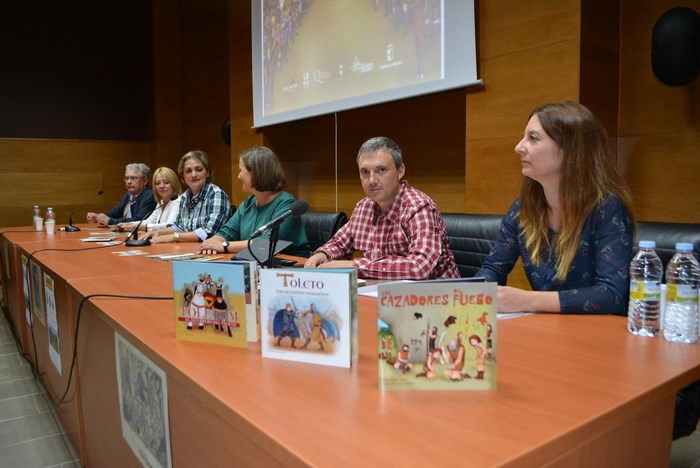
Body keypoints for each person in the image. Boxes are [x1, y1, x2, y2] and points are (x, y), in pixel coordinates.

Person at [475, 101, 635, 315]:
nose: (518, 147)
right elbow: (493, 267)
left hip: (595, 336)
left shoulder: (607, 209)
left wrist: (527, 300)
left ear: (570, 150)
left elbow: (611, 295)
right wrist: (472, 294)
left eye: (533, 138)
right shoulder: (524, 207)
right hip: (546, 331)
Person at [304, 136, 459, 280]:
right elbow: (339, 243)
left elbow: (419, 267)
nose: (371, 180)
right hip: (385, 294)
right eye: (365, 172)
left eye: (381, 170)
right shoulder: (363, 207)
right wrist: (322, 255)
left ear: (400, 171)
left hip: (438, 299)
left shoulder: (419, 208)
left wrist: (355, 266)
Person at [199, 146, 310, 257]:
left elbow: (265, 244)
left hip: (290, 268)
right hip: (255, 262)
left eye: (241, 171)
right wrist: (211, 243)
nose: (238, 176)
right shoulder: (249, 202)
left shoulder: (286, 203)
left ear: (256, 173)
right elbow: (228, 231)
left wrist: (223, 246)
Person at [147, 150, 232, 243]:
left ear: (207, 173)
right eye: (188, 171)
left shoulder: (216, 195)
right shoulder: (184, 197)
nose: (194, 175)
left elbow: (208, 232)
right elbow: (179, 227)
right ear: (183, 177)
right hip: (189, 249)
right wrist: (159, 233)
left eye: (198, 170)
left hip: (213, 252)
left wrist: (174, 237)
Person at [115, 167, 183, 233]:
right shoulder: (161, 202)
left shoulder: (178, 201)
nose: (161, 186)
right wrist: (129, 224)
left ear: (174, 184)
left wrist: (139, 227)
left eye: (166, 182)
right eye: (157, 183)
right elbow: (150, 221)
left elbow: (170, 226)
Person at [87, 163, 156, 225]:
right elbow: (115, 213)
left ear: (145, 181)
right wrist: (98, 217)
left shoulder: (150, 195)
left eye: (133, 178)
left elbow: (139, 220)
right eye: (126, 178)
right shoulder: (128, 195)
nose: (128, 182)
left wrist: (109, 221)